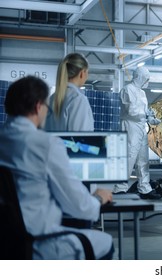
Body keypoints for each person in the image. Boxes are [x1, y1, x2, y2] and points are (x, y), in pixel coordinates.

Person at [0, 76, 113, 259]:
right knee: (105, 241)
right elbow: (80, 206)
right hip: (39, 243)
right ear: (38, 106)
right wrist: (99, 198)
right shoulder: (45, 144)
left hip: (5, 244)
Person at [113, 66, 161, 199]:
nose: (147, 81)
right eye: (146, 78)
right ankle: (120, 188)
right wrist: (145, 116)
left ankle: (144, 187)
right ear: (140, 77)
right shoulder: (127, 90)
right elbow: (131, 111)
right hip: (130, 126)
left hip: (141, 127)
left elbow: (142, 112)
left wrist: (150, 117)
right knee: (129, 157)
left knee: (143, 159)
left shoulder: (142, 93)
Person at [45, 53, 94, 131]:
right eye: (87, 72)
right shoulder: (78, 99)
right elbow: (79, 139)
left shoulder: (52, 98)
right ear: (82, 73)